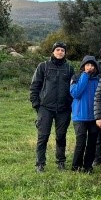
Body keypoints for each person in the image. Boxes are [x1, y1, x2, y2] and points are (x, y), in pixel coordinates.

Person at [30, 41, 75, 172]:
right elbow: (34, 86)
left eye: (62, 50)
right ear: (53, 51)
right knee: (43, 136)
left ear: (65, 53)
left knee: (61, 136)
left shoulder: (69, 68)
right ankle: (40, 164)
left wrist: (70, 105)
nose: (60, 52)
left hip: (64, 109)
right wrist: (36, 104)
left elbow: (73, 88)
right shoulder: (43, 66)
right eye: (58, 50)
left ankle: (60, 162)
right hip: (45, 108)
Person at [70, 55, 100, 173]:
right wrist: (85, 76)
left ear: (95, 67)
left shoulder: (98, 80)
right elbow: (76, 93)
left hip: (94, 117)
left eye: (92, 65)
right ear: (83, 66)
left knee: (92, 143)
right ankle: (76, 166)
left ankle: (88, 166)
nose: (90, 67)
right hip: (79, 117)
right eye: (87, 65)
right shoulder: (76, 78)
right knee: (81, 143)